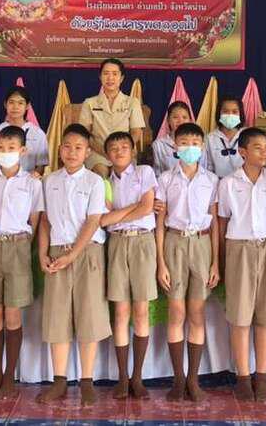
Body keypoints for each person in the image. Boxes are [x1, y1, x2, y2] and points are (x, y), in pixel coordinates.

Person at [37, 124, 112, 405]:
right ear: (59, 150)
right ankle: (59, 381)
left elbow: (93, 221)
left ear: (88, 152)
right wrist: (43, 254)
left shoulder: (94, 182)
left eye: (78, 148)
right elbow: (45, 221)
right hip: (58, 252)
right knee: (58, 317)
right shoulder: (49, 181)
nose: (72, 152)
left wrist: (73, 255)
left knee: (88, 315)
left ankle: (87, 381)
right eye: (67, 147)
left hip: (87, 251)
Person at [0, 125, 44, 399]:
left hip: (18, 248)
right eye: (1, 148)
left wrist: (22, 242)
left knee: (13, 314)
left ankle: (10, 376)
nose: (5, 152)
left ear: (22, 151)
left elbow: (35, 219)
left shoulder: (32, 183)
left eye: (11, 148)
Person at [217, 127, 266, 401]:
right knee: (240, 317)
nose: (264, 152)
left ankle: (262, 376)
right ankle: (243, 377)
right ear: (243, 152)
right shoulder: (228, 183)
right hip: (239, 248)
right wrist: (221, 260)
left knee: (265, 317)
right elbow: (222, 222)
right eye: (258, 147)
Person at [155, 122, 220, 402]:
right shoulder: (165, 179)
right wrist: (161, 262)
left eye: (195, 143)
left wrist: (215, 263)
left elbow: (215, 223)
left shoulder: (212, 180)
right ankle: (178, 379)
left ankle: (193, 379)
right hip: (174, 242)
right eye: (184, 143)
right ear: (175, 147)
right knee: (176, 312)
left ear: (202, 147)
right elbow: (159, 223)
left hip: (202, 244)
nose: (190, 148)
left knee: (196, 313)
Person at [101, 131, 159, 400]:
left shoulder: (144, 172)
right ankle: (123, 378)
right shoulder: (104, 182)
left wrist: (119, 215)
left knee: (141, 311)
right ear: (107, 154)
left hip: (143, 242)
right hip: (117, 244)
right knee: (121, 312)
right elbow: (104, 220)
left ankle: (138, 377)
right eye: (113, 148)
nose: (119, 151)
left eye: (124, 146)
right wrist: (132, 209)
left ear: (133, 150)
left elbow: (147, 208)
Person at [78, 58, 146, 177]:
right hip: (98, 151)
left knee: (122, 174)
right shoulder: (89, 103)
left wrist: (122, 148)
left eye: (115, 74)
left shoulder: (132, 102)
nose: (110, 78)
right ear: (100, 77)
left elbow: (136, 131)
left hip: (123, 151)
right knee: (101, 173)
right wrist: (104, 151)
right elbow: (84, 133)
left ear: (121, 78)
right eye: (106, 73)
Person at [0, 85, 49, 177]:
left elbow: (41, 165)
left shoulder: (38, 134)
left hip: (26, 182)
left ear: (27, 106)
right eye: (11, 102)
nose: (15, 107)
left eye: (20, 103)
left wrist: (29, 180)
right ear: (5, 104)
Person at [151, 101, 201, 175]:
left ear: (190, 120)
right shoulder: (158, 145)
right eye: (175, 117)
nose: (180, 121)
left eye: (184, 117)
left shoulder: (197, 144)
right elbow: (156, 173)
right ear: (168, 120)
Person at [204, 97, 245, 179]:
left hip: (243, 183)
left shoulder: (247, 135)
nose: (230, 115)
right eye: (225, 111)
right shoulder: (209, 138)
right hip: (217, 182)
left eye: (234, 112)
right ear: (219, 113)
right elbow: (207, 167)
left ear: (240, 114)